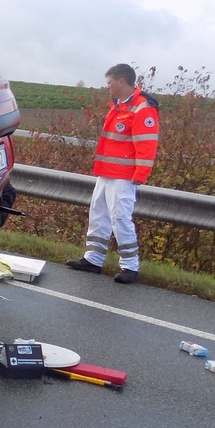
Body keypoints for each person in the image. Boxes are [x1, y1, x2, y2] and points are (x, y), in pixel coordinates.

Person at [67, 63, 160, 284]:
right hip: (107, 172)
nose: (107, 87)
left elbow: (146, 145)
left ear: (121, 81)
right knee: (98, 214)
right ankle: (93, 259)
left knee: (120, 218)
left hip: (124, 176)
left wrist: (140, 174)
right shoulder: (119, 106)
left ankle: (130, 265)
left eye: (109, 82)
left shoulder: (142, 107)